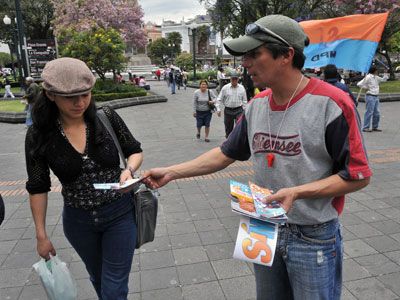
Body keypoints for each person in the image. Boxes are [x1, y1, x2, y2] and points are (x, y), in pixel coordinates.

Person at [143, 14, 371, 300]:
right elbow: (226, 153)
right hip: (261, 224)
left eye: (254, 54)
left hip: (312, 234)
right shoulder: (256, 105)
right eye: (244, 55)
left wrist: (298, 193)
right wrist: (172, 172)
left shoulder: (332, 104)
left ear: (286, 55)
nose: (245, 63)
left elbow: (358, 175)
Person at [25, 57, 143, 299]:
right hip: (79, 222)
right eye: (70, 97)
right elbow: (38, 186)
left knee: (114, 287)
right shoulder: (39, 134)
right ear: (51, 95)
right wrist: (41, 235)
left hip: (119, 214)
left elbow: (134, 150)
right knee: (98, 278)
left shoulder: (105, 116)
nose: (80, 103)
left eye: (85, 94)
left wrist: (128, 170)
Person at [216, 71, 247, 138]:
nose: (234, 80)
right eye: (233, 79)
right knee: (228, 128)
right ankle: (228, 139)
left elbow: (244, 100)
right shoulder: (225, 88)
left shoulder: (242, 88)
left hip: (239, 110)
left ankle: (237, 140)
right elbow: (219, 99)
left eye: (236, 79)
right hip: (228, 110)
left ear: (238, 79)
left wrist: (245, 111)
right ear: (230, 79)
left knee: (239, 126)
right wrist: (218, 109)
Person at [357, 65, 388, 132]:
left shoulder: (376, 77)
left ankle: (375, 127)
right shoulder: (368, 77)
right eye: (377, 70)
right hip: (370, 96)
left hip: (376, 96)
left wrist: (385, 73)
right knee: (369, 112)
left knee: (377, 113)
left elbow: (384, 80)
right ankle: (365, 127)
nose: (378, 71)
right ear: (374, 71)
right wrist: (366, 88)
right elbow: (359, 84)